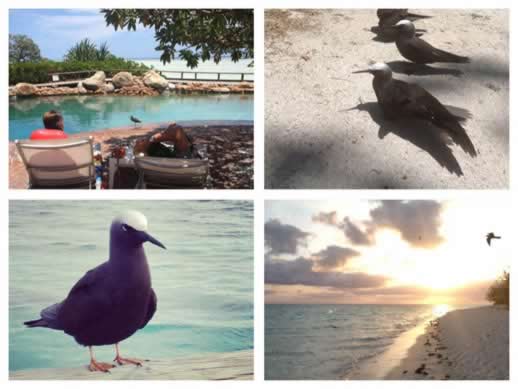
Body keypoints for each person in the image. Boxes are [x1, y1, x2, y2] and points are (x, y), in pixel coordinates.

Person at [134, 123, 199, 159]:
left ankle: (186, 139)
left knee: (174, 126)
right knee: (177, 129)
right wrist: (153, 138)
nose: (139, 140)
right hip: (182, 157)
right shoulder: (150, 150)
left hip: (178, 154)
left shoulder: (151, 148)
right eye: (141, 141)